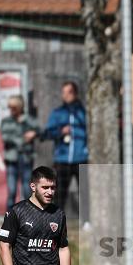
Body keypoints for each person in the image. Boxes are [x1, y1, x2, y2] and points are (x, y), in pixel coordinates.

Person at [44, 81, 88, 221]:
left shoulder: (84, 113)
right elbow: (48, 133)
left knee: (85, 191)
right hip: (62, 159)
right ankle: (56, 221)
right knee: (59, 193)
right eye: (63, 92)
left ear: (75, 93)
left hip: (81, 157)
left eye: (68, 92)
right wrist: (60, 131)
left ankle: (86, 221)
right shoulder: (57, 113)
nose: (65, 95)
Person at [1, 94, 39, 210]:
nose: (11, 110)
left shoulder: (28, 120)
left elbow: (39, 129)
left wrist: (34, 133)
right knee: (12, 190)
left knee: (27, 189)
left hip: (26, 158)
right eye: (10, 107)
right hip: (12, 159)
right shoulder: (6, 121)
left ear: (20, 107)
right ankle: (9, 218)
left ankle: (28, 216)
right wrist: (22, 139)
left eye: (14, 107)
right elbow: (5, 136)